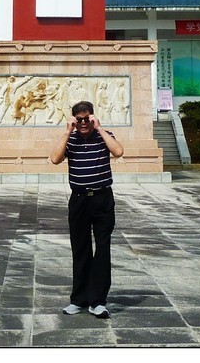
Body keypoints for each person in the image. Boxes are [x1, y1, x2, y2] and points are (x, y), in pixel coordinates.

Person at [49, 100, 124, 318]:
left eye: (87, 118)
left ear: (93, 117)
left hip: (102, 198)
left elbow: (118, 151)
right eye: (79, 119)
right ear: (74, 119)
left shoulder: (103, 134)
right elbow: (54, 159)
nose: (83, 123)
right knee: (80, 248)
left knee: (102, 249)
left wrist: (99, 128)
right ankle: (79, 299)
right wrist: (67, 131)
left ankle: (98, 301)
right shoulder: (70, 138)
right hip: (79, 200)